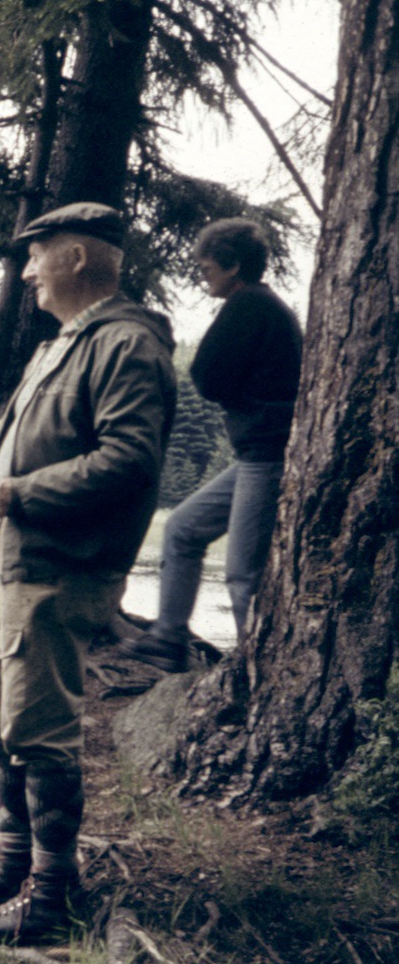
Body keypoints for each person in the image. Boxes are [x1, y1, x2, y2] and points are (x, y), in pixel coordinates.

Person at [0, 202, 177, 946]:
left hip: (61, 572)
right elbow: (14, 462)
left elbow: (130, 460)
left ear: (79, 260)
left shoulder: (126, 346)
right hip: (7, 564)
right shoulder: (60, 344)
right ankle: (13, 865)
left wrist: (20, 494)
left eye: (39, 255)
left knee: (39, 732)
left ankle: (52, 897)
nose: (26, 272)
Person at [120, 218, 302, 672]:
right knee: (182, 528)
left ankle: (258, 671)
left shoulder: (247, 305)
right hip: (255, 454)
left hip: (268, 455)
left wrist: (236, 398)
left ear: (234, 266)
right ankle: (168, 638)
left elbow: (207, 375)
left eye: (207, 270)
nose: (204, 280)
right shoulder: (260, 304)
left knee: (244, 574)